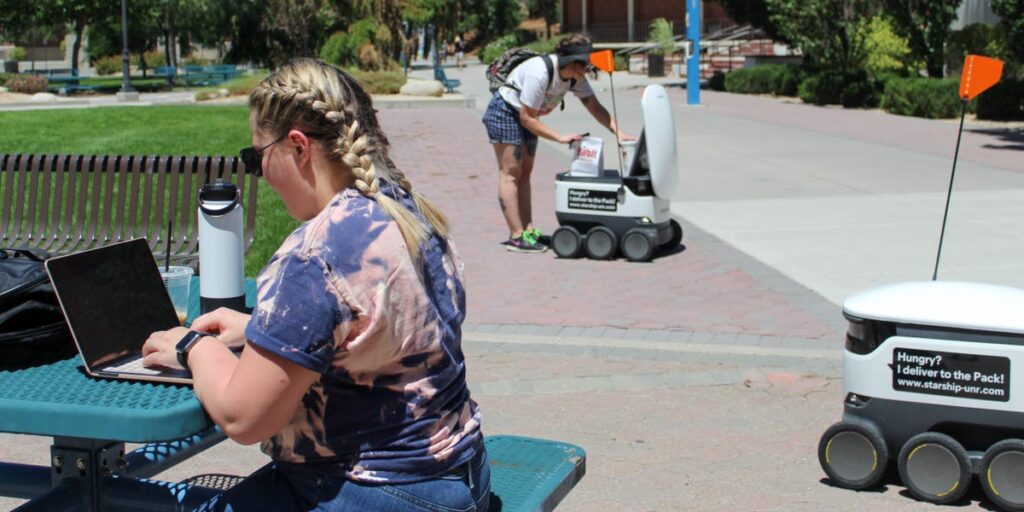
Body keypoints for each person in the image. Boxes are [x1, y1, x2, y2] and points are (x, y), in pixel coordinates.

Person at [142, 58, 489, 512]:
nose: (259, 174)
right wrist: (258, 330)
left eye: (256, 157)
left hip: (380, 493)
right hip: (462, 478)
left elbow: (244, 419)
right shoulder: (409, 210)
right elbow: (383, 333)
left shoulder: (315, 257)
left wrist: (194, 348)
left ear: (299, 147)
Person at [481, 34, 634, 253]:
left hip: (527, 116)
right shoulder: (540, 72)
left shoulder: (575, 77)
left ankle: (528, 231)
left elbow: (594, 107)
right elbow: (527, 117)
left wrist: (618, 132)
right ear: (569, 62)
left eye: (587, 64)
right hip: (505, 112)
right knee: (511, 173)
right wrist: (559, 137)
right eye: (581, 64)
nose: (585, 69)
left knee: (525, 173)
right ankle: (516, 236)